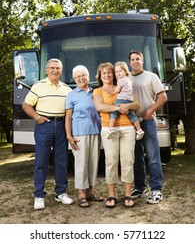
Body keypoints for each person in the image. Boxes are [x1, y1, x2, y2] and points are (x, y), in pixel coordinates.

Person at [22, 58, 73, 210]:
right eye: (52, 68)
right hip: (44, 126)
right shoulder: (39, 86)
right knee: (41, 161)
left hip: (62, 125)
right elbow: (26, 105)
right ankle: (39, 195)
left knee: (62, 161)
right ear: (46, 69)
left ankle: (61, 193)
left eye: (58, 68)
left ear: (61, 70)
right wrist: (37, 118)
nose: (55, 70)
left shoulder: (67, 89)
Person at [93, 62, 140, 208]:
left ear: (114, 74)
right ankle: (111, 195)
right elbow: (100, 107)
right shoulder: (98, 92)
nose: (107, 75)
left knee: (127, 160)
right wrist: (120, 107)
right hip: (109, 129)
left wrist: (128, 106)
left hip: (127, 129)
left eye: (109, 72)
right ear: (100, 76)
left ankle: (127, 194)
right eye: (104, 73)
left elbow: (137, 104)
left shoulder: (124, 86)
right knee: (111, 161)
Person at [128, 50, 167, 204]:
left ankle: (156, 189)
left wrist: (149, 111)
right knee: (136, 157)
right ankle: (140, 187)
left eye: (138, 58)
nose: (135, 61)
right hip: (131, 123)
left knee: (152, 156)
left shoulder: (151, 76)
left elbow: (163, 97)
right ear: (130, 62)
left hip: (147, 121)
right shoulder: (126, 78)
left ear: (142, 60)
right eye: (132, 59)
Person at [65, 65, 103, 208]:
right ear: (74, 79)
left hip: (95, 132)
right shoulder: (71, 95)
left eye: (84, 75)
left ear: (88, 76)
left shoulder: (95, 93)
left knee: (93, 163)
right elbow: (68, 118)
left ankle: (89, 193)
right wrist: (69, 136)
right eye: (78, 76)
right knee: (81, 164)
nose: (81, 78)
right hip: (79, 134)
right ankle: (81, 194)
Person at [107, 61, 144, 140]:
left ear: (125, 71)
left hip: (121, 100)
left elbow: (117, 90)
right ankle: (139, 130)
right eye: (116, 72)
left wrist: (114, 90)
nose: (118, 73)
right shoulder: (128, 80)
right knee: (132, 116)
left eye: (120, 71)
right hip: (129, 100)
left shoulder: (121, 80)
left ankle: (110, 129)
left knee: (113, 113)